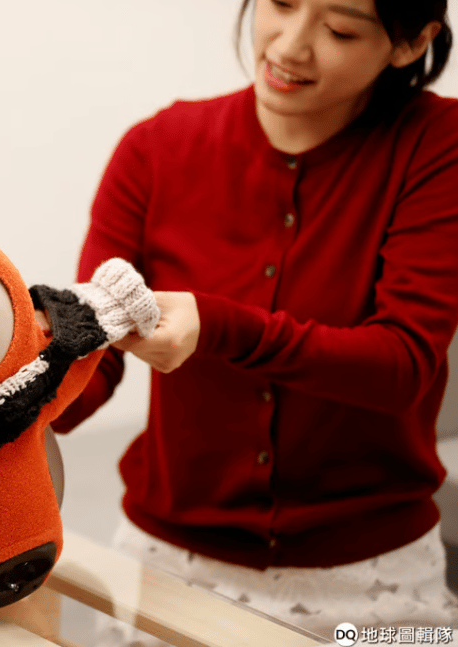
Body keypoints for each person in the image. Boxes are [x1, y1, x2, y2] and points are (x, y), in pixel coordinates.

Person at [53, 0, 458, 643]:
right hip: (166, 563)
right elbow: (92, 355)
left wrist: (218, 326)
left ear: (412, 44)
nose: (289, 45)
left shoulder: (438, 145)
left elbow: (401, 363)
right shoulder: (155, 149)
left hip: (375, 580)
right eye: (281, 3)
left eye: (340, 29)